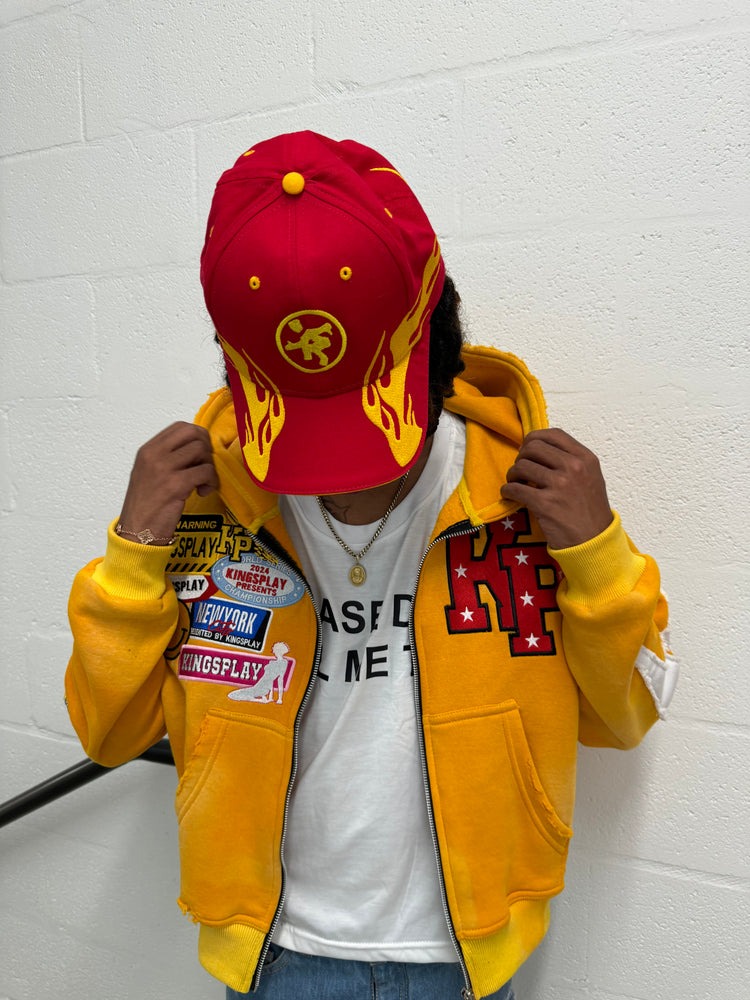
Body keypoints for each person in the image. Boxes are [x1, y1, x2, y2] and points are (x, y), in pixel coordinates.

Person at [65, 130, 678, 1000]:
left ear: (436, 333)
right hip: (272, 955)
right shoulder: (208, 503)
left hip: (464, 957)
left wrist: (597, 553)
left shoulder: (526, 497)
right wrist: (133, 553)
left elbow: (628, 716)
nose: (340, 474)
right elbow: (109, 733)